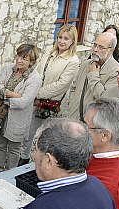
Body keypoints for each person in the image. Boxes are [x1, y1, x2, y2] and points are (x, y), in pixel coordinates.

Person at [20, 24, 80, 164]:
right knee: (28, 132)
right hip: (36, 100)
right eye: (60, 37)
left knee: (47, 135)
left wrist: (36, 93)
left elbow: (60, 85)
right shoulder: (49, 52)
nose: (62, 41)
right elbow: (38, 72)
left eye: (66, 38)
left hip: (52, 104)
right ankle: (23, 157)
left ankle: (45, 162)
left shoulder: (73, 61)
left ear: (72, 41)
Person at [0, 43, 41, 171]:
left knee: (14, 149)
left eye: (24, 58)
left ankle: (10, 173)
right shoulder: (8, 68)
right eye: (18, 56)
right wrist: (13, 94)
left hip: (17, 119)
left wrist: (4, 93)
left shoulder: (35, 78)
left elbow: (24, 102)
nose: (19, 60)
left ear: (31, 61)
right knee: (0, 145)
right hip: (1, 116)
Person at [60, 32, 119, 121]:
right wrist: (72, 104)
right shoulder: (86, 64)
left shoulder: (115, 71)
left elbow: (105, 100)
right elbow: (74, 87)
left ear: (111, 50)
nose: (95, 49)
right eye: (94, 45)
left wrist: (93, 76)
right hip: (73, 118)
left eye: (101, 47)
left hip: (93, 124)